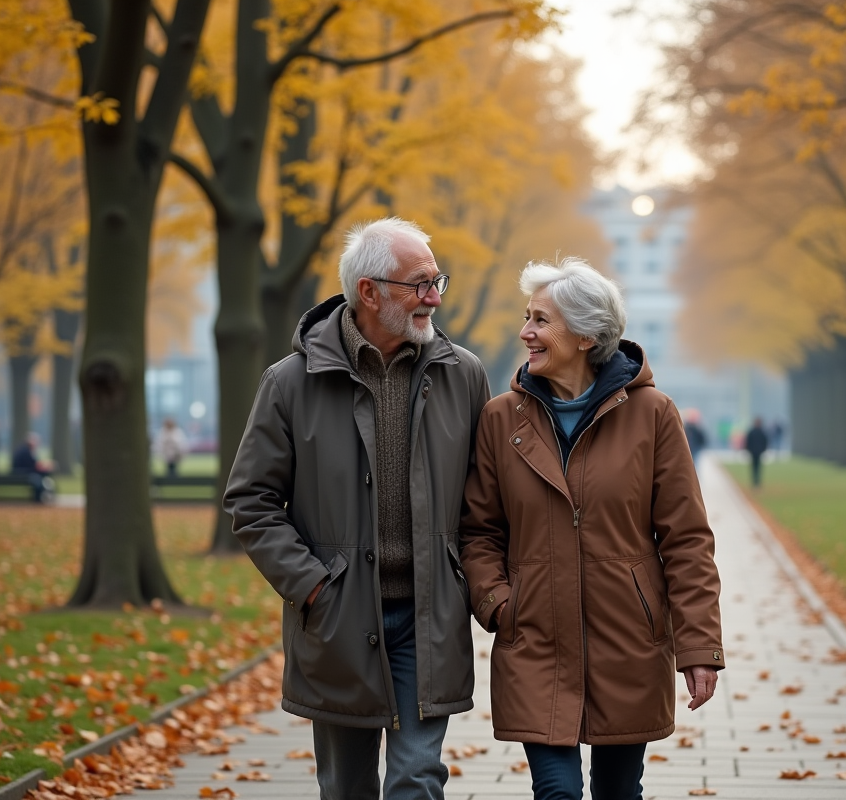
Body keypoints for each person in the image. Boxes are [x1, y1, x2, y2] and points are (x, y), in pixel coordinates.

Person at [223, 218, 490, 800]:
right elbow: (252, 499)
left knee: (416, 779)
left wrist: (464, 577)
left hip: (430, 615)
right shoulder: (290, 383)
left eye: (436, 281)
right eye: (419, 284)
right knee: (346, 787)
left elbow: (484, 500)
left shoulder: (463, 375)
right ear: (369, 291)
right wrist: (315, 585)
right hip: (339, 618)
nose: (434, 298)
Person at [461, 259, 724, 800]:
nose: (525, 332)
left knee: (618, 792)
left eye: (540, 320)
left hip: (628, 640)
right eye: (526, 317)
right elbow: (478, 531)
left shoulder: (653, 415)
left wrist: (699, 646)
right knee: (556, 792)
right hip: (534, 636)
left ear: (585, 335)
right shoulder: (498, 418)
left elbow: (687, 539)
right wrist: (498, 604)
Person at [10, 433, 53, 503]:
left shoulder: (23, 450)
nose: (37, 443)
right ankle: (38, 499)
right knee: (38, 481)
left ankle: (39, 498)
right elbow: (33, 465)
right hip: (24, 475)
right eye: (35, 441)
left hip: (22, 474)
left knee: (40, 478)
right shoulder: (26, 451)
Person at [744, 417, 769, 487]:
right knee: (754, 467)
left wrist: (764, 449)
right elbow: (748, 442)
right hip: (753, 452)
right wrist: (748, 449)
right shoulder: (753, 432)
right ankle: (754, 481)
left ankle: (757, 482)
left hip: (758, 452)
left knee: (758, 467)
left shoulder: (761, 431)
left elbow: (765, 441)